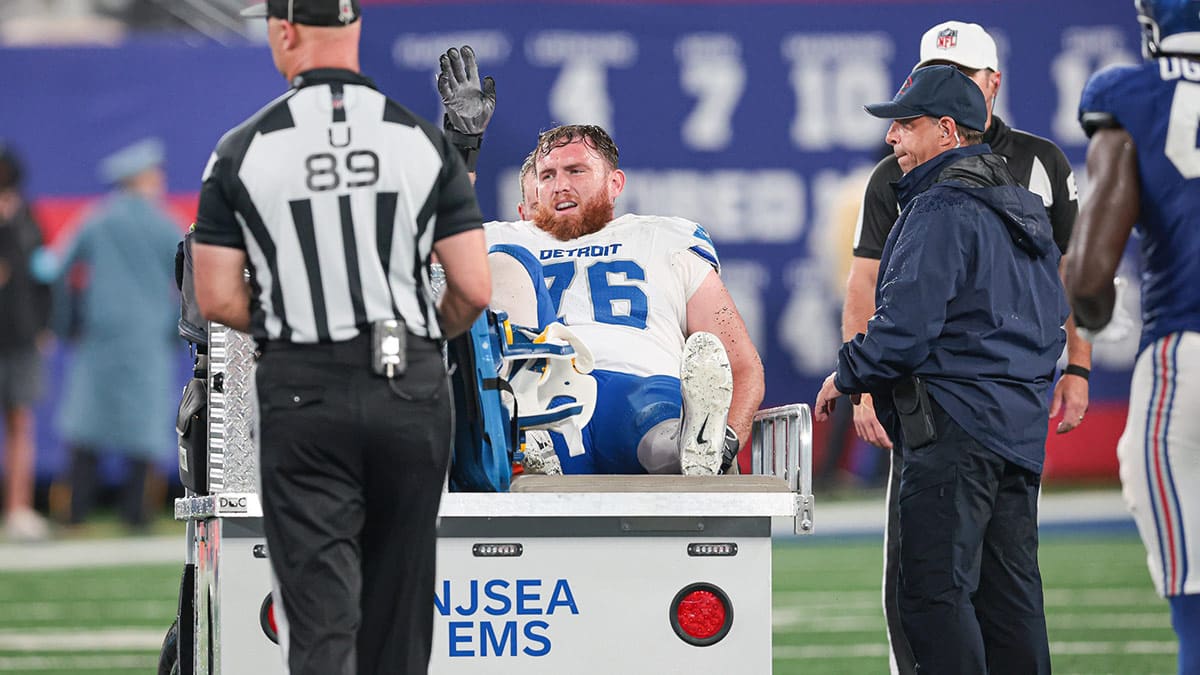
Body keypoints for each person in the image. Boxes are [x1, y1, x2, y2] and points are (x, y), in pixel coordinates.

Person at [191, 1, 489, 672]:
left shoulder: (244, 147)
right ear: (354, 31)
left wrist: (294, 330)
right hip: (406, 378)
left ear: (283, 31)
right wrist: (418, 338)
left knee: (323, 623)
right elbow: (472, 285)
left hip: (304, 387)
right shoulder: (420, 140)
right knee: (398, 622)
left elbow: (214, 295)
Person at [839, 21, 1089, 674]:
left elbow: (904, 329)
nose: (891, 136)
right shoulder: (1020, 207)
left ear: (947, 130)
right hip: (1015, 434)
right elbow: (1050, 318)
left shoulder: (938, 206)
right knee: (1011, 603)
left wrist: (848, 374)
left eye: (907, 123)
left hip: (952, 432)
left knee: (933, 596)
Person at [485, 124, 765, 475]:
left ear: (614, 183)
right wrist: (462, 146)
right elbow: (430, 252)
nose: (560, 185)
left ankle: (694, 448)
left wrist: (726, 443)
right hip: (547, 393)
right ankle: (528, 426)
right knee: (505, 260)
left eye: (576, 171)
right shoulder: (503, 237)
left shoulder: (663, 237)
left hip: (640, 383)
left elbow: (740, 364)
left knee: (655, 417)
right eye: (547, 175)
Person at [1064, 2, 1200, 671]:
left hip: (1185, 358)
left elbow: (1089, 276)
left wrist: (1092, 319)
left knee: (1197, 613)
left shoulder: (1132, 99)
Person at [36, 137, 181, 531]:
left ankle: (74, 513)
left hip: (99, 339)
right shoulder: (166, 226)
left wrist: (68, 322)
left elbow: (57, 270)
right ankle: (136, 515)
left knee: (87, 426)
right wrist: (172, 328)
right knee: (144, 429)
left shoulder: (96, 219)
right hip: (148, 341)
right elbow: (191, 282)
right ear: (146, 178)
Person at [0, 142, 51, 541]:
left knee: (22, 423)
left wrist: (44, 326)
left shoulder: (27, 219)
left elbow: (42, 276)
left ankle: (19, 508)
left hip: (20, 338)